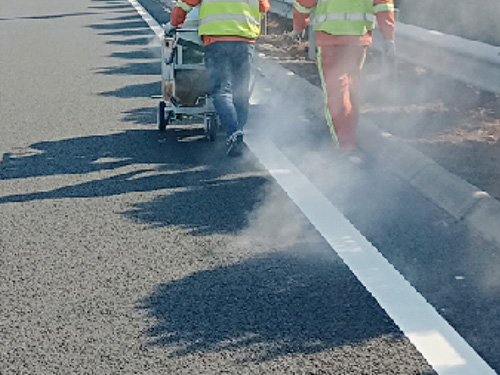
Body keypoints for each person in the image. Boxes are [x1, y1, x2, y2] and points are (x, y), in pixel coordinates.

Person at [290, 0, 396, 161]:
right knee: (351, 87)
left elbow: (304, 4)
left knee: (336, 92)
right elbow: (383, 4)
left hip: (329, 37)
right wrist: (389, 36)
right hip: (358, 38)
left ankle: (344, 145)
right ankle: (349, 134)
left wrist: (298, 27)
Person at [164, 0, 271, 157]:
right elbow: (264, 7)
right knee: (240, 89)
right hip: (244, 40)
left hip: (217, 39)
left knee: (221, 91)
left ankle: (234, 132)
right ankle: (238, 131)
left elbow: (185, 4)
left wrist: (173, 24)